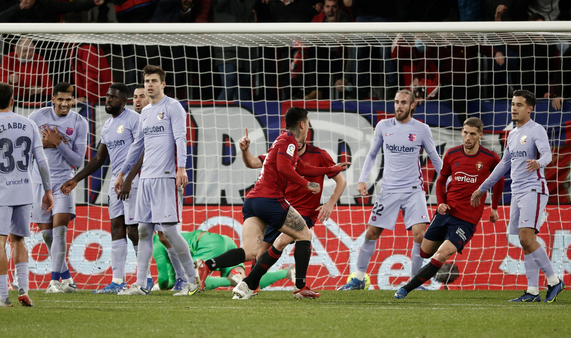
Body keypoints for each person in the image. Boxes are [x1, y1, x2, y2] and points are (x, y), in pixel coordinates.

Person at [199, 107, 347, 300]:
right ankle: (276, 285)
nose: (308, 128)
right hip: (273, 202)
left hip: (254, 200)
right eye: (308, 123)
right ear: (302, 125)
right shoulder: (289, 142)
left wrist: (331, 168)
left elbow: (302, 167)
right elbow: (283, 168)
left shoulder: (281, 143)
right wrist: (305, 184)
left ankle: (208, 265)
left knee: (253, 251)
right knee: (304, 235)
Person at [338, 89, 442, 290]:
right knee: (371, 233)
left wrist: (448, 182)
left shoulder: (422, 129)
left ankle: (414, 282)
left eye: (403, 102)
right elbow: (371, 154)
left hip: (414, 190)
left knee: (420, 235)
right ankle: (358, 278)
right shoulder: (384, 126)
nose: (398, 106)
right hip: (389, 190)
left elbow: (435, 157)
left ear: (412, 105)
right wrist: (362, 180)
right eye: (396, 102)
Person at [471, 90, 565, 303]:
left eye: (519, 105)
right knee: (525, 241)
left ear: (530, 108)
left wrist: (538, 163)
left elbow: (548, 154)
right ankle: (532, 291)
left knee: (525, 237)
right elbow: (504, 164)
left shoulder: (536, 129)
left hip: (534, 188)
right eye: (513, 104)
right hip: (517, 192)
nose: (514, 108)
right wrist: (483, 187)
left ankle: (554, 280)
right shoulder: (512, 134)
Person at [394, 117, 505, 299]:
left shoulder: (491, 158)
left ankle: (405, 289)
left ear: (480, 135)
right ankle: (437, 257)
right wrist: (440, 203)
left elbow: (499, 180)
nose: (467, 137)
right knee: (425, 251)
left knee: (441, 254)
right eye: (465, 132)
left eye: (472, 134)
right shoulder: (452, 154)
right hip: (446, 213)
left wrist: (494, 208)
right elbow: (441, 181)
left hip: (467, 220)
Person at [114, 65, 199, 296]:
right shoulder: (146, 112)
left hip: (165, 177)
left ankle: (192, 280)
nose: (149, 84)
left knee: (170, 232)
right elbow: (137, 146)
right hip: (147, 180)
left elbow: (181, 139)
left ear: (163, 84)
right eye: (147, 80)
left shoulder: (173, 107)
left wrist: (181, 168)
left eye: (153, 80)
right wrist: (122, 172)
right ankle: (141, 284)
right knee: (143, 230)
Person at [0, 83, 54, 307]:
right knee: (19, 240)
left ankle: (3, 297)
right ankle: (24, 290)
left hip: (1, 191)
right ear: (13, 100)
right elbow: (42, 162)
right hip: (25, 190)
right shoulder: (29, 124)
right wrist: (48, 191)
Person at [60, 83, 141, 294]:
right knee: (116, 228)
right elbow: (99, 158)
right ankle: (117, 281)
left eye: (113, 97)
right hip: (116, 182)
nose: (108, 100)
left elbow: (144, 151)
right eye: (107, 96)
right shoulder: (107, 126)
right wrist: (76, 179)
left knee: (134, 230)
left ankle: (145, 279)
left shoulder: (134, 120)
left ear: (124, 101)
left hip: (135, 180)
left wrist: (130, 178)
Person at [29, 82, 88, 293]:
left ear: (73, 100)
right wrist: (43, 144)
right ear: (53, 99)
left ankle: (54, 282)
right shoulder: (36, 117)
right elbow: (25, 148)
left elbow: (78, 160)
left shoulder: (80, 122)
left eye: (69, 99)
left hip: (64, 181)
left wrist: (59, 143)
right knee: (47, 235)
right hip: (39, 182)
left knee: (60, 231)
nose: (65, 104)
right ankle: (67, 279)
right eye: (61, 99)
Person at [154, 231, 295, 291]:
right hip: (226, 241)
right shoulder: (167, 234)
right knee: (245, 281)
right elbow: (173, 280)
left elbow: (164, 279)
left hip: (209, 243)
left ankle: (231, 281)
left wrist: (159, 286)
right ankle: (286, 272)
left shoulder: (156, 243)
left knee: (192, 281)